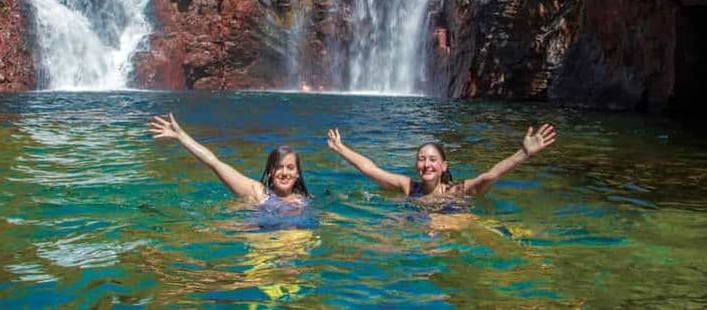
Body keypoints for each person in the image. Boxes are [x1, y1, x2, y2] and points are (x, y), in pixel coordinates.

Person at [326, 123, 556, 200]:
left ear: (444, 166)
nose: (426, 164)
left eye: (432, 160)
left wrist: (524, 153)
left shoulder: (458, 191)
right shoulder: (408, 187)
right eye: (422, 159)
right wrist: (341, 148)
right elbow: (370, 169)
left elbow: (490, 175)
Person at [149, 113, 310, 206]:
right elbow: (213, 162)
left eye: (290, 167)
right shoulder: (257, 191)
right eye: (278, 167)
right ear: (270, 172)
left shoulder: (304, 201)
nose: (284, 172)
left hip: (293, 247)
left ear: (297, 174)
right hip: (262, 248)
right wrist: (181, 137)